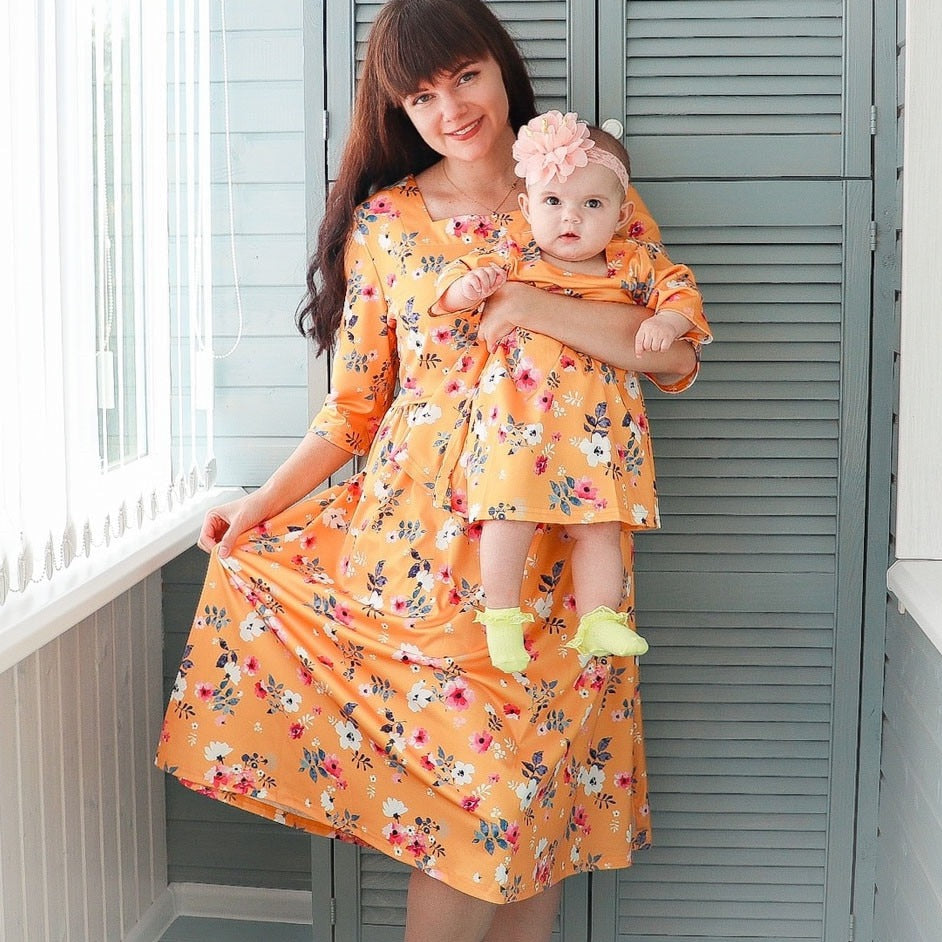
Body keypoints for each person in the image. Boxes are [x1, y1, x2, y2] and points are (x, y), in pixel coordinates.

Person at [155, 2, 703, 940]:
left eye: (465, 77)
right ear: (399, 111)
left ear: (500, 69)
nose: (452, 107)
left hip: (572, 552)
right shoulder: (388, 222)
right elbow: (354, 410)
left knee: (538, 815)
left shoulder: (581, 181)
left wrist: (527, 299)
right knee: (465, 817)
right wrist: (264, 504)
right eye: (422, 94)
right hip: (429, 561)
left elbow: (667, 354)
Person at [419, 112, 712, 673]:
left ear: (621, 216)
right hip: (516, 423)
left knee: (599, 526)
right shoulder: (514, 256)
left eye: (591, 206)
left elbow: (681, 293)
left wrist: (668, 325)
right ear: (527, 209)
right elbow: (449, 295)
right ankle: (501, 617)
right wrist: (467, 289)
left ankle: (602, 619)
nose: (570, 217)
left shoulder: (632, 263)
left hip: (599, 430)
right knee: (508, 518)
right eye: (552, 202)